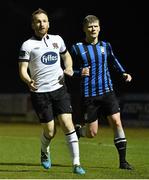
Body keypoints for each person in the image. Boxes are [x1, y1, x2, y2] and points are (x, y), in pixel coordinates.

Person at [18, 8, 85, 175]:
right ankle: (44, 150)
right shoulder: (27, 45)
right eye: (38, 21)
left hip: (59, 89)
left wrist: (69, 67)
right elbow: (22, 70)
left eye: (44, 21)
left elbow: (66, 56)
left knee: (67, 123)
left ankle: (76, 164)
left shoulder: (57, 40)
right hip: (40, 93)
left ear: (49, 23)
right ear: (33, 25)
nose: (42, 24)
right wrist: (28, 80)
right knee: (50, 131)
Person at [70, 15, 133, 170]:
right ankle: (79, 131)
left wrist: (123, 72)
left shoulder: (106, 46)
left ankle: (123, 162)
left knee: (117, 122)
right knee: (92, 133)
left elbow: (113, 60)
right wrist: (79, 72)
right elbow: (67, 69)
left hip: (107, 91)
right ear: (84, 29)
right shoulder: (77, 48)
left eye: (96, 26)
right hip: (89, 95)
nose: (93, 29)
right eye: (90, 27)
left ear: (100, 28)